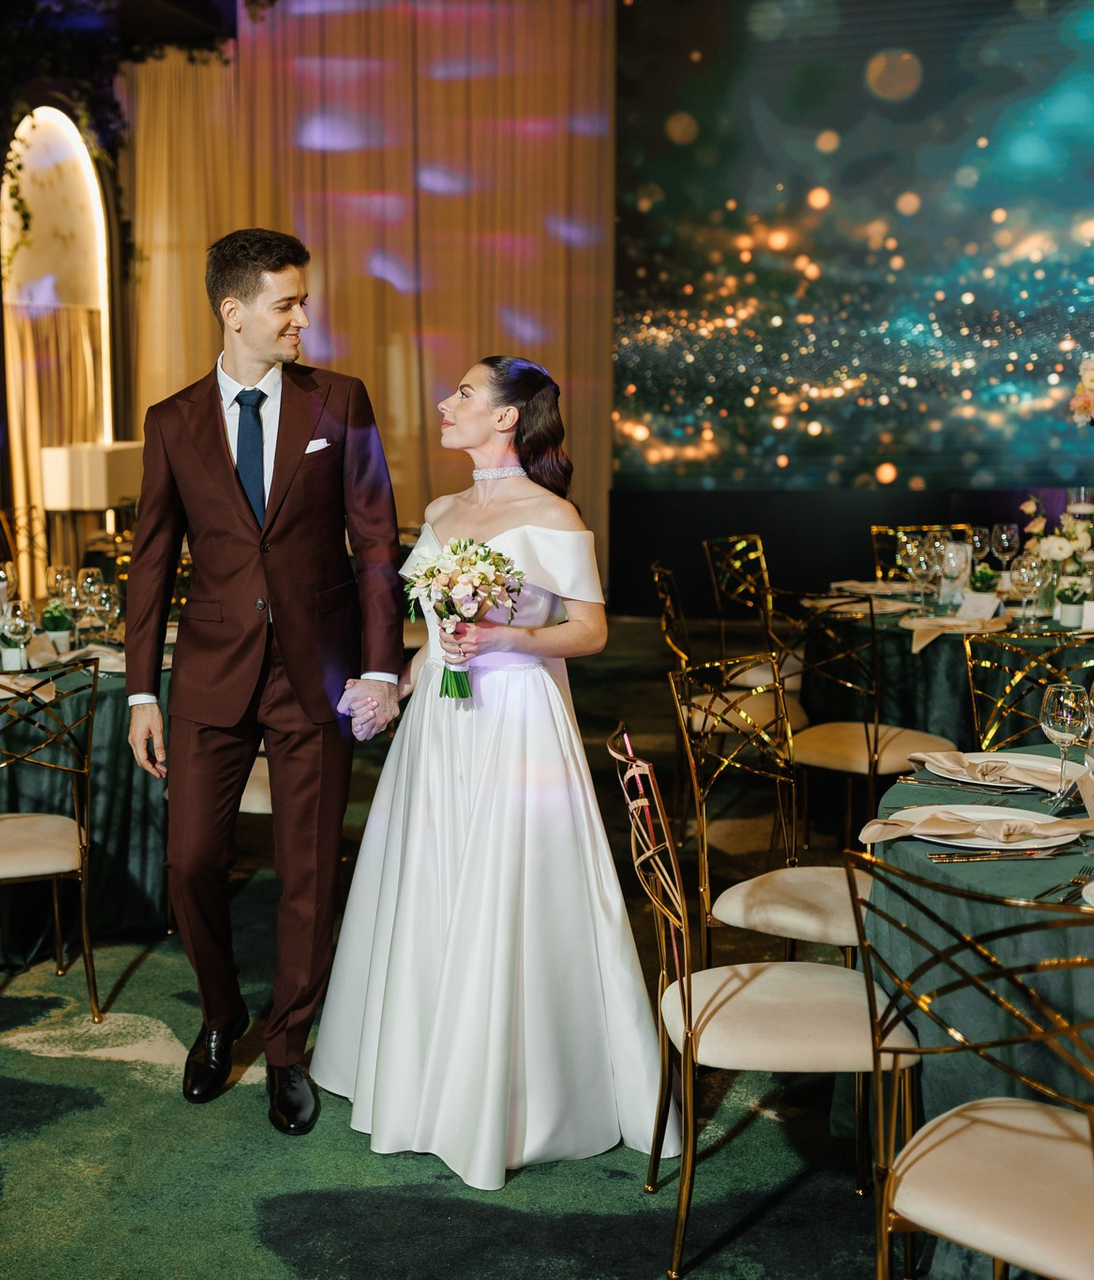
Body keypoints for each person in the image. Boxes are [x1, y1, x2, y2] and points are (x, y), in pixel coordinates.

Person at [312, 356, 675, 1189]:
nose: (446, 403)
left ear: (508, 417)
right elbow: (435, 636)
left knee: (507, 887)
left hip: (516, 718)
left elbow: (590, 631)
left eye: (465, 394)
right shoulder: (443, 512)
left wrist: (507, 637)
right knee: (431, 877)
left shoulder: (552, 515)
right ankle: (419, 1076)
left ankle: (511, 1095)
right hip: (441, 727)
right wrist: (394, 688)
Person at [124, 229, 406, 1136]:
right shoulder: (172, 421)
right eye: (286, 304)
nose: (301, 320)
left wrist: (379, 666)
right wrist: (140, 691)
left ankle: (287, 1047)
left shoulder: (340, 400)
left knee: (307, 871)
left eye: (303, 303)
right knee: (191, 862)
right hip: (211, 672)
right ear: (234, 311)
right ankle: (221, 1016)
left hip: (316, 674)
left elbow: (376, 542)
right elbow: (151, 562)